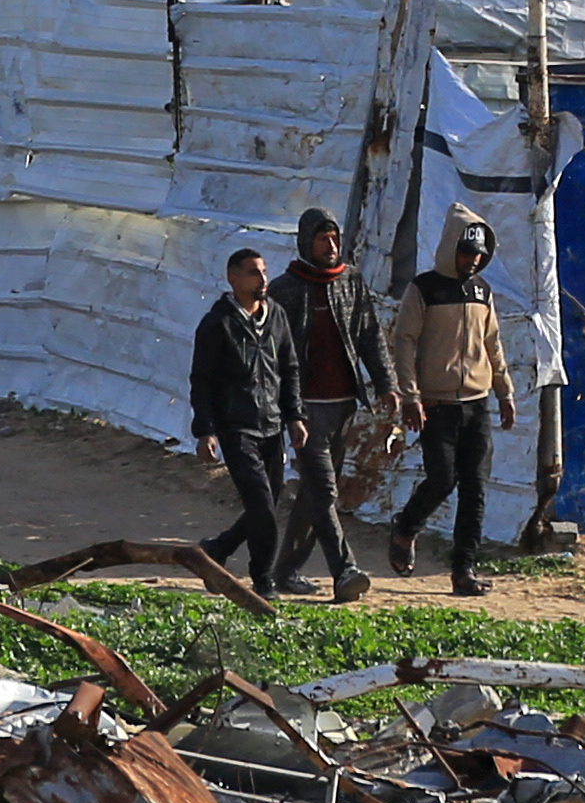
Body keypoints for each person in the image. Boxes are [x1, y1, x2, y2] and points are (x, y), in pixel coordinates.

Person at [384, 207, 519, 596]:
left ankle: (464, 571)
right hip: (437, 404)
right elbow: (404, 341)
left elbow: (493, 344)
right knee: (442, 479)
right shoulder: (424, 289)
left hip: (477, 404)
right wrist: (410, 396)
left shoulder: (483, 292)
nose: (472, 261)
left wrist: (504, 391)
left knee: (475, 488)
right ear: (450, 249)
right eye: (466, 253)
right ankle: (407, 525)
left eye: (478, 255)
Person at [269, 205, 387, 600]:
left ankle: (284, 571)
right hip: (304, 409)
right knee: (324, 491)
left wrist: (387, 383)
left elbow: (369, 335)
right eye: (323, 239)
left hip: (343, 406)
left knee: (315, 492)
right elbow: (271, 353)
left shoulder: (349, 281)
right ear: (306, 242)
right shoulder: (284, 289)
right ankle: (344, 568)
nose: (332, 246)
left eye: (335, 238)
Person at [187, 244, 302, 590]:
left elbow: (290, 368)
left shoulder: (276, 316)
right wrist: (205, 430)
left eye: (264, 271)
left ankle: (217, 549)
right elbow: (201, 380)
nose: (262, 278)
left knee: (267, 503)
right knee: (261, 504)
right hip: (237, 427)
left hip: (272, 425)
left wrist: (295, 416)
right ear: (233, 279)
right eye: (253, 272)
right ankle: (263, 578)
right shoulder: (217, 323)